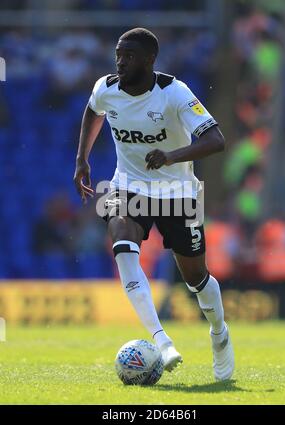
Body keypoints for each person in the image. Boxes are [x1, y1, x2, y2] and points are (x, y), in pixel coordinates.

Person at [74, 28, 234, 381]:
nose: (120, 61)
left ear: (149, 60)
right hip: (127, 187)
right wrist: (82, 159)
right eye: (118, 54)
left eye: (128, 56)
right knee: (122, 244)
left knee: (195, 278)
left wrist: (171, 156)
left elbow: (216, 140)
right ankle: (161, 341)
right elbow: (92, 111)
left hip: (178, 194)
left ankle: (220, 335)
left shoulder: (174, 93)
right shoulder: (106, 88)